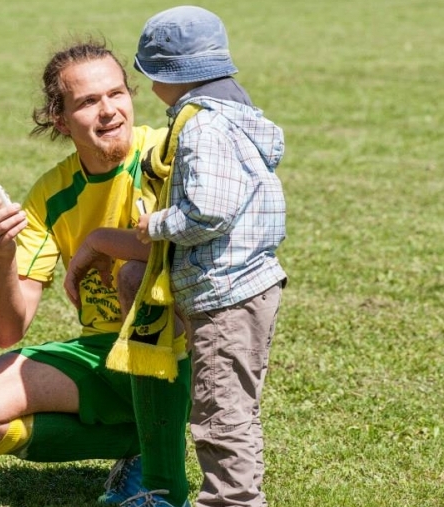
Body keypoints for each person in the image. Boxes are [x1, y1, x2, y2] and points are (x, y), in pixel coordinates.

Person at [0, 39, 192, 507]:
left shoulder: (166, 152)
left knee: (137, 274)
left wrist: (99, 242)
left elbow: (188, 240)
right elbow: (7, 329)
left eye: (117, 94)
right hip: (104, 352)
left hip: (184, 349)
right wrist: (1, 255)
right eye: (89, 101)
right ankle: (137, 440)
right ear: (59, 119)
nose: (110, 111)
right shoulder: (52, 195)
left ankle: (165, 485)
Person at [132, 6, 288, 507]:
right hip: (248, 286)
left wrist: (153, 224)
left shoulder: (202, 128)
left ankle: (232, 501)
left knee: (221, 415)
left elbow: (206, 214)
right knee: (233, 408)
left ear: (163, 76)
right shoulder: (237, 116)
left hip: (225, 292)